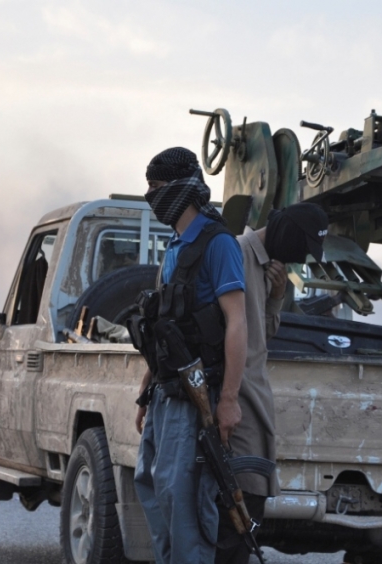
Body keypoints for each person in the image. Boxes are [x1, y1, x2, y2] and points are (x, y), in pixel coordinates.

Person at [132, 147, 247, 564]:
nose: (152, 197)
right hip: (166, 392)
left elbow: (237, 322)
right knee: (152, 485)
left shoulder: (218, 245)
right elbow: (164, 327)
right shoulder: (175, 246)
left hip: (197, 395)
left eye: (158, 188)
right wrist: (146, 389)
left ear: (182, 189)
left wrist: (229, 399)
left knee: (183, 498)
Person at [214, 203, 329, 564]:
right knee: (241, 503)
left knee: (251, 504)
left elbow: (261, 334)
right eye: (301, 247)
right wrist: (228, 398)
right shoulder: (235, 252)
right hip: (238, 399)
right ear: (286, 235)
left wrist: (277, 297)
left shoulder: (269, 268)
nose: (299, 259)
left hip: (255, 398)